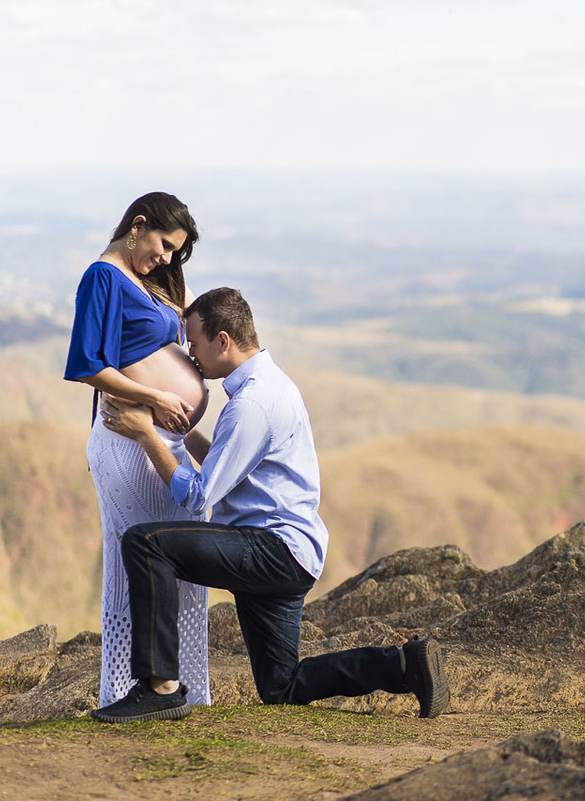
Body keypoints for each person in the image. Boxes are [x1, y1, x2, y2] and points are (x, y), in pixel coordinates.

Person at [90, 287, 449, 722]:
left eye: (195, 343)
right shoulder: (269, 386)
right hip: (291, 556)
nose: (191, 355)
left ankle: (160, 687)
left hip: (269, 548)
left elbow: (202, 494)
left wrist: (148, 435)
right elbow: (234, 468)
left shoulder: (253, 403)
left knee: (147, 544)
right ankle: (407, 665)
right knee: (281, 687)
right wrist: (181, 434)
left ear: (223, 341)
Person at [64, 192, 211, 708]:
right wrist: (156, 396)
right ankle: (136, 689)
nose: (168, 258)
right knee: (138, 567)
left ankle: (183, 688)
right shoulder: (102, 277)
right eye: (165, 245)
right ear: (138, 224)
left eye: (177, 252)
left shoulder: (147, 278)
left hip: (165, 443)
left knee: (185, 564)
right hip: (130, 446)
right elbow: (87, 363)